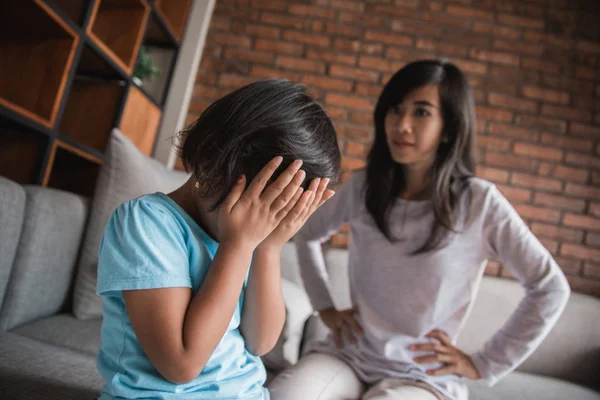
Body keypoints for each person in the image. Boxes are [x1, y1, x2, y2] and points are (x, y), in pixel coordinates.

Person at [269, 60, 571, 400]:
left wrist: (484, 363)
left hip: (421, 376)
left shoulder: (479, 202)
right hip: (349, 355)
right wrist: (325, 308)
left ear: (448, 128)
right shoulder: (364, 186)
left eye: (422, 112)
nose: (402, 125)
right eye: (395, 110)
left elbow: (550, 287)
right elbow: (308, 234)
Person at [95, 79, 341, 399]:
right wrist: (237, 246)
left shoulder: (252, 239)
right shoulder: (146, 223)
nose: (266, 221)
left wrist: (268, 246)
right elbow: (181, 364)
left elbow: (261, 342)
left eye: (282, 211)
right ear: (212, 162)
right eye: (265, 205)